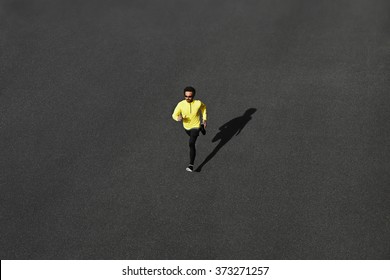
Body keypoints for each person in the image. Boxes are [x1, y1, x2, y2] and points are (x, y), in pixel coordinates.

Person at [172, 86, 207, 172]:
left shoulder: (198, 103)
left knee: (191, 143)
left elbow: (204, 108)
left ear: (193, 96)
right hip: (186, 127)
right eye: (186, 96)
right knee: (192, 135)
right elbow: (174, 115)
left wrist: (204, 119)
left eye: (190, 96)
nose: (187, 98)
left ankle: (191, 165)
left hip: (195, 125)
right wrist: (178, 118)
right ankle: (201, 128)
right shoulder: (180, 104)